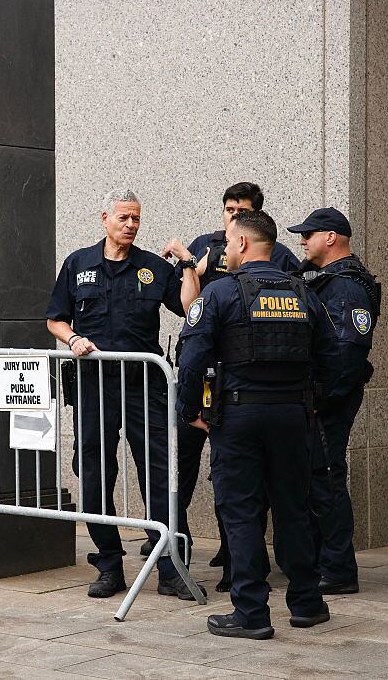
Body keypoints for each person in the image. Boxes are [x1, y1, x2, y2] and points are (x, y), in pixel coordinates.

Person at [177, 210, 332, 639]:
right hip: (292, 416)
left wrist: (189, 413)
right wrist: (313, 405)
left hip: (239, 417)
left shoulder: (222, 294)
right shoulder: (304, 293)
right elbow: (331, 359)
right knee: (294, 509)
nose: (224, 250)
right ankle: (306, 603)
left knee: (242, 513)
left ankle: (251, 613)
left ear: (243, 244)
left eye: (227, 243)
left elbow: (191, 364)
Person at [46, 188, 203, 601]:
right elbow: (55, 319)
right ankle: (109, 564)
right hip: (95, 386)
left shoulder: (153, 267)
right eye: (124, 218)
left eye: (136, 218)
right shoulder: (78, 264)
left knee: (158, 473)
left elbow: (189, 308)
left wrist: (187, 262)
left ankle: (170, 569)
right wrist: (73, 338)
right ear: (105, 218)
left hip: (143, 387)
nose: (131, 225)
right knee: (95, 472)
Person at [159, 182, 299, 593]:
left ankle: (239, 568)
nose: (233, 217)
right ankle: (175, 557)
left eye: (242, 210)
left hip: (242, 388)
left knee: (239, 486)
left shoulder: (278, 257)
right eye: (229, 209)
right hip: (211, 385)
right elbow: (186, 309)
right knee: (181, 474)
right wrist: (189, 265)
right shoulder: (205, 247)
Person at [288, 207, 379, 595]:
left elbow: (346, 355)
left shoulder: (347, 286)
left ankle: (339, 569)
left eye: (309, 234)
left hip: (328, 401)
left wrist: (319, 401)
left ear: (331, 237)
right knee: (315, 479)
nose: (303, 241)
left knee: (326, 479)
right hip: (320, 398)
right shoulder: (329, 281)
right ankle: (322, 561)